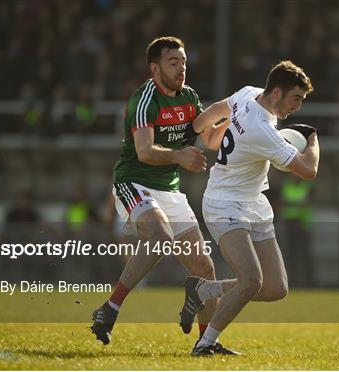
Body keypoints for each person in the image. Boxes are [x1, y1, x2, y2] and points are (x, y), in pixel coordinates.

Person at [90, 36, 235, 354]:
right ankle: (110, 309)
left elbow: (208, 137)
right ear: (155, 68)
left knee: (204, 267)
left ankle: (206, 343)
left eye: (184, 61)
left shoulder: (190, 97)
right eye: (174, 62)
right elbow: (144, 151)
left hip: (169, 190)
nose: (182, 67)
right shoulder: (145, 98)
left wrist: (235, 121)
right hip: (135, 183)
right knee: (160, 236)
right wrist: (180, 156)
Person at [179, 61, 319, 356]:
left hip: (254, 204)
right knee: (251, 281)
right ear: (278, 92)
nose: (298, 107)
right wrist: (312, 139)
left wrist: (200, 131)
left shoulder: (248, 93)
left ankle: (205, 290)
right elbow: (308, 170)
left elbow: (215, 111)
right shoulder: (263, 130)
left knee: (275, 289)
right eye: (296, 99)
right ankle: (205, 345)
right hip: (223, 203)